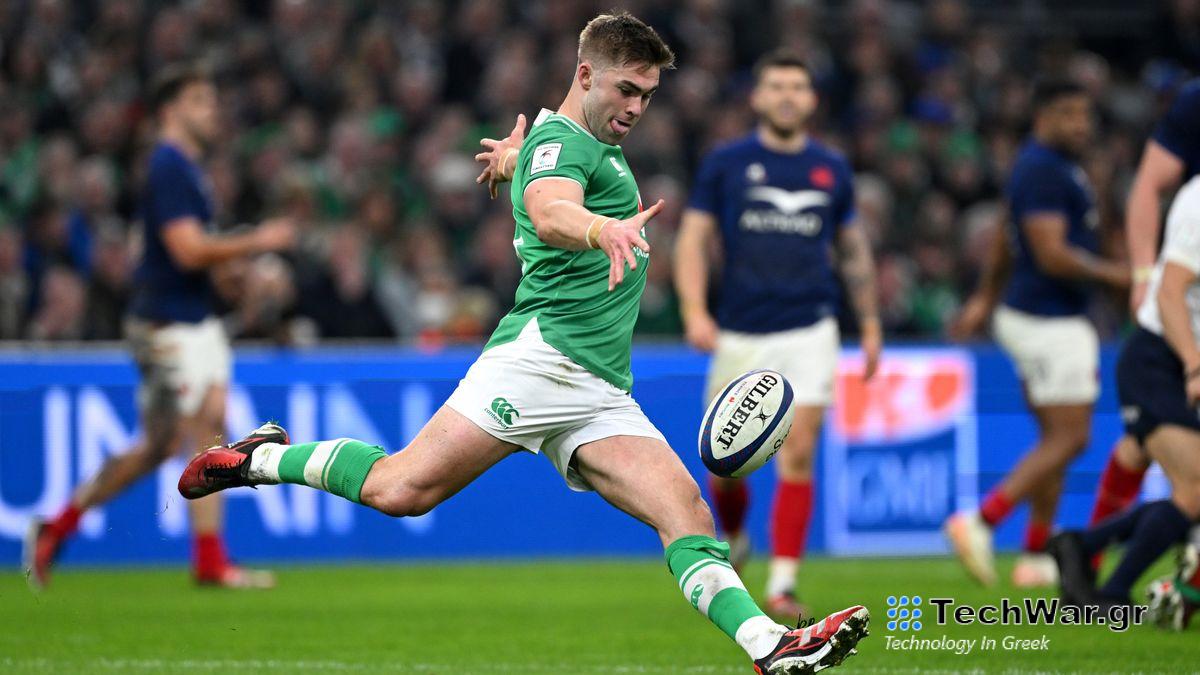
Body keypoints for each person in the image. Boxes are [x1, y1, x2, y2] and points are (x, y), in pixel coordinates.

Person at [179, 14, 869, 673]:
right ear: (585, 72)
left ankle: (770, 644)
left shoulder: (569, 144)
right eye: (626, 89)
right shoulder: (566, 145)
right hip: (538, 364)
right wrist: (600, 228)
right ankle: (260, 459)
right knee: (401, 488)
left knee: (685, 510)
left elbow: (543, 175)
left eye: (648, 95)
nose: (636, 106)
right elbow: (552, 208)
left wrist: (515, 160)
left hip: (598, 389)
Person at [23, 64, 295, 589]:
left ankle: (56, 527)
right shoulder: (167, 165)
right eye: (199, 100)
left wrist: (235, 281)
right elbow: (186, 250)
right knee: (204, 426)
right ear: (169, 111)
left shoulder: (187, 170)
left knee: (162, 445)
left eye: (212, 99)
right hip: (168, 324)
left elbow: (191, 256)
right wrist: (258, 240)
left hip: (193, 318)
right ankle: (210, 561)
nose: (211, 109)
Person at [673, 50, 881, 619]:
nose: (788, 96)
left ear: (812, 100)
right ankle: (737, 539)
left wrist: (868, 323)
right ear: (758, 98)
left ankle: (782, 585)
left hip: (811, 328)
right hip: (740, 331)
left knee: (800, 453)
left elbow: (854, 251)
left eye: (798, 87)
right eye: (777, 86)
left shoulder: (831, 168)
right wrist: (694, 309)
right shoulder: (727, 164)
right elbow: (692, 239)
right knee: (724, 462)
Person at [943, 79, 1129, 587]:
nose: (1081, 124)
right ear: (1041, 116)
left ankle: (1035, 555)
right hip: (1048, 320)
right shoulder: (1045, 169)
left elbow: (1007, 237)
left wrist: (984, 296)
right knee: (1073, 436)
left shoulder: (1045, 166)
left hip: (1031, 314)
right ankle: (981, 521)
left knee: (1055, 437)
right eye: (1068, 112)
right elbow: (1050, 254)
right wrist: (1124, 275)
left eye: (1085, 114)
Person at [1049, 173, 1200, 617]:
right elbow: (1170, 293)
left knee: (1138, 459)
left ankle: (1080, 545)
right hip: (1161, 357)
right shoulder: (1198, 201)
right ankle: (1114, 590)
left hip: (1181, 357)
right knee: (1193, 490)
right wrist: (1194, 365)